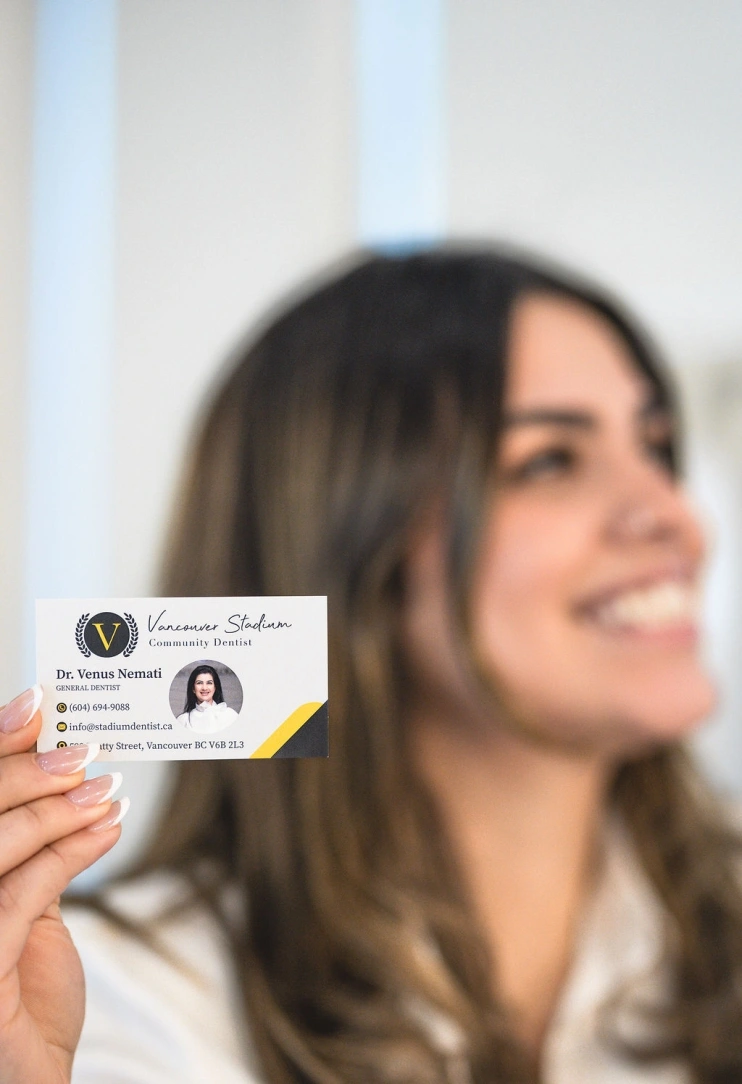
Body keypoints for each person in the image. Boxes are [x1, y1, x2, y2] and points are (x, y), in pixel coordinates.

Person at [2, 247, 742, 1084]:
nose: (675, 516)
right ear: (358, 551)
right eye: (550, 461)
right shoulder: (97, 1009)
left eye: (657, 447)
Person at [176, 663, 239, 733]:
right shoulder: (183, 720)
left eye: (209, 683)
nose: (204, 688)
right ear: (193, 689)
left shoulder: (230, 715)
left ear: (215, 687)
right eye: (199, 683)